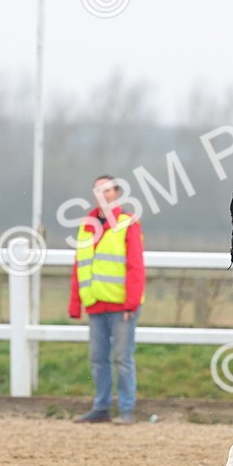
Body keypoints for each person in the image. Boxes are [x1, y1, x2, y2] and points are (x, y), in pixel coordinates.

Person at [68, 175, 144, 424]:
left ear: (117, 193)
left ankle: (126, 409)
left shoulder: (128, 223)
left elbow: (135, 266)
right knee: (98, 359)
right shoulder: (86, 225)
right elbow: (80, 265)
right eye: (99, 190)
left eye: (109, 190)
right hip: (96, 303)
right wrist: (76, 302)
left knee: (122, 358)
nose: (105, 194)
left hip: (122, 305)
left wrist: (131, 303)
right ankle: (101, 407)